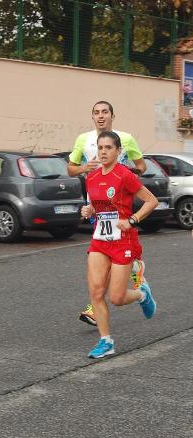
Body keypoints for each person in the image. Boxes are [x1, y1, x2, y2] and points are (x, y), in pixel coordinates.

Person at [68, 101, 147, 327]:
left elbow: (142, 167)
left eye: (105, 112)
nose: (100, 116)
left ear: (113, 115)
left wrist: (125, 173)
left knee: (112, 250)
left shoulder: (126, 139)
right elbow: (70, 168)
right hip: (96, 208)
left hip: (118, 206)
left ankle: (96, 307)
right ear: (92, 117)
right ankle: (132, 269)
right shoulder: (83, 139)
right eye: (96, 113)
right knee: (103, 253)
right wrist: (86, 168)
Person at [81, 131, 158, 358]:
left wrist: (132, 220)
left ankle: (142, 294)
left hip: (123, 239)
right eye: (100, 147)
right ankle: (106, 341)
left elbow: (151, 201)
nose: (103, 152)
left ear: (118, 151)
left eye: (108, 148)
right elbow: (99, 205)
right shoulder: (91, 177)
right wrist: (89, 210)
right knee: (96, 292)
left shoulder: (124, 175)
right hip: (100, 240)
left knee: (116, 298)